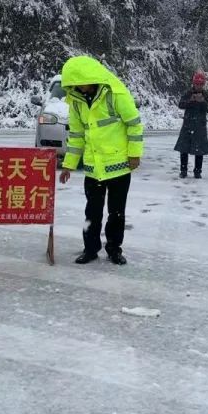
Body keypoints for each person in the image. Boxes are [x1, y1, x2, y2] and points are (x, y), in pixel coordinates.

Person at [58, 56, 144, 265]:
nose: (78, 88)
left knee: (116, 213)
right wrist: (69, 164)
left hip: (119, 167)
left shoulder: (116, 95)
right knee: (92, 212)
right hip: (93, 168)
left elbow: (134, 124)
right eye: (74, 85)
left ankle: (114, 249)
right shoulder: (77, 102)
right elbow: (77, 135)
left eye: (80, 83)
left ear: (91, 78)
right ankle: (90, 249)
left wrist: (134, 154)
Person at [174, 70, 208, 179]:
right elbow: (180, 105)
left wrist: (203, 102)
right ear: (193, 83)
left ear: (203, 84)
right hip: (188, 124)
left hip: (200, 126)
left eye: (201, 84)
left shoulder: (207, 95)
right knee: (184, 148)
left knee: (199, 150)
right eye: (197, 84)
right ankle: (183, 170)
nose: (199, 86)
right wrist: (190, 101)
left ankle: (198, 171)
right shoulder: (188, 93)